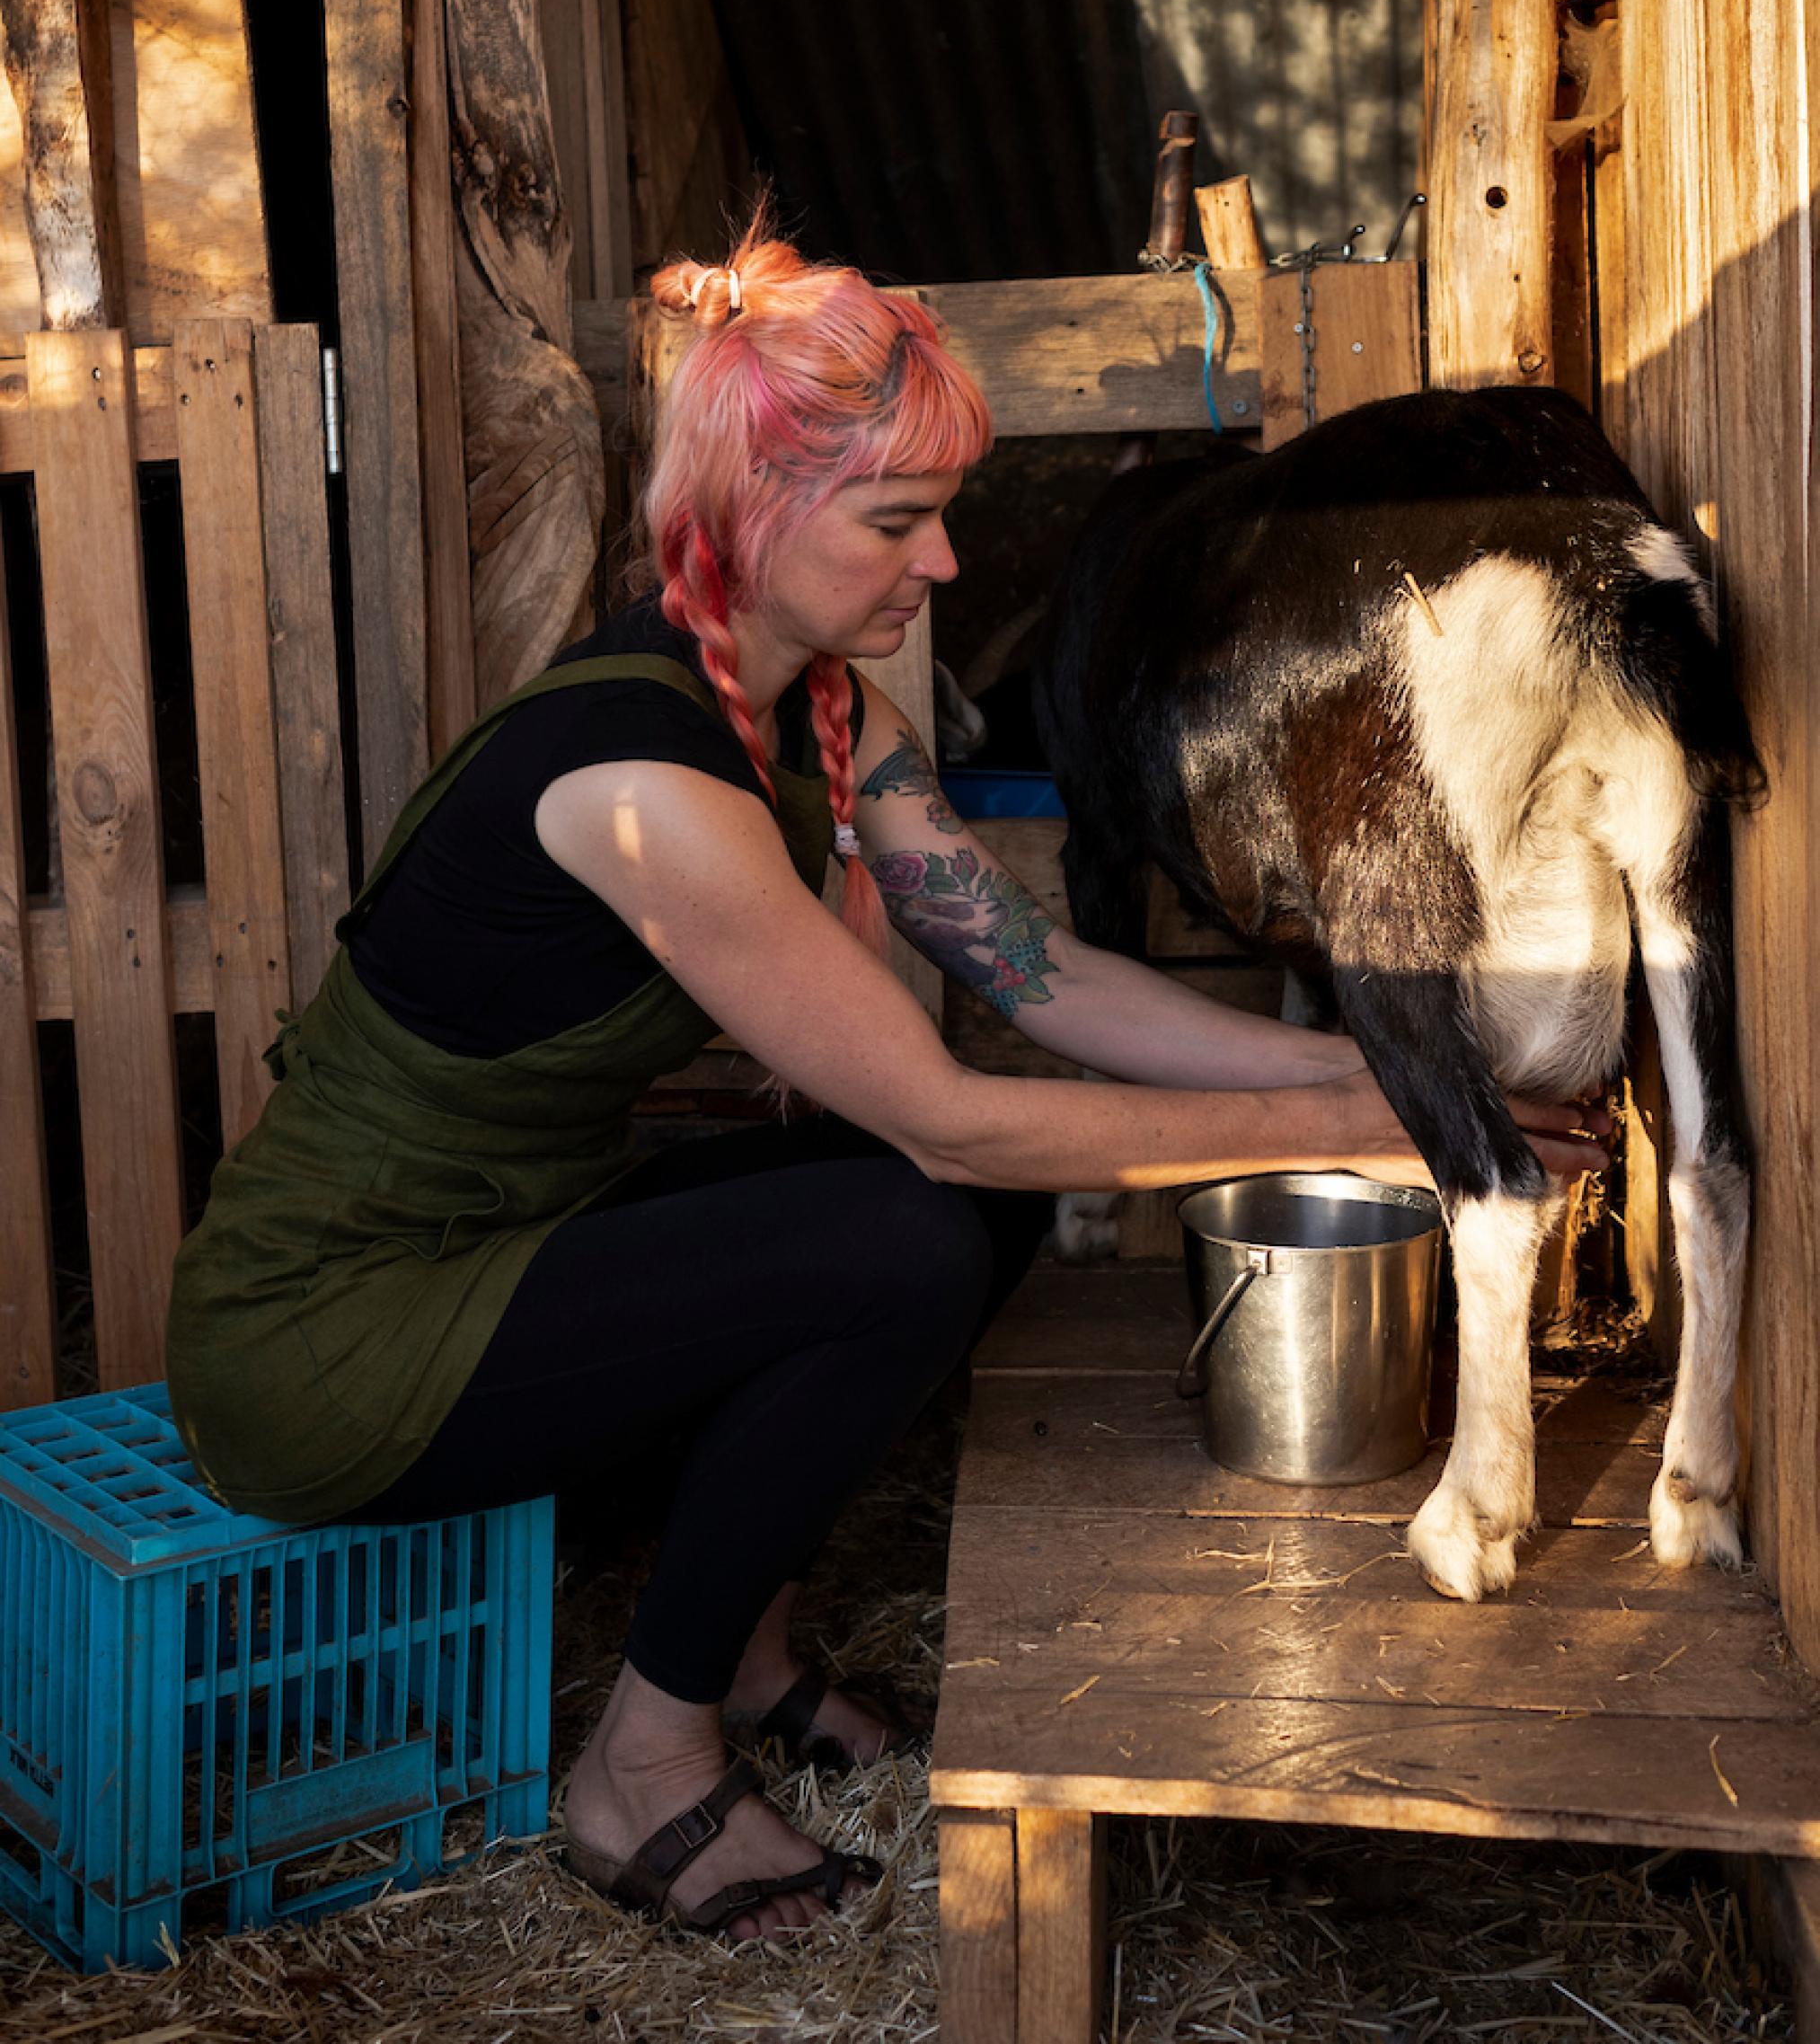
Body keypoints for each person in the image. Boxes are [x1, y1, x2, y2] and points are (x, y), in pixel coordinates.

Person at [164, 222, 1606, 1943]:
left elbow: (1039, 974)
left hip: (498, 1242)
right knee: (911, 1221)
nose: (940, 565)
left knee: (938, 1222)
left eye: (939, 514)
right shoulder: (644, 780)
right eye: (894, 520)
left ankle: (744, 1638)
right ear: (755, 510)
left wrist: (1384, 1059)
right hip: (328, 1337)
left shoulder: (819, 717)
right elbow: (953, 1107)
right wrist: (1375, 1119)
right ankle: (638, 1764)